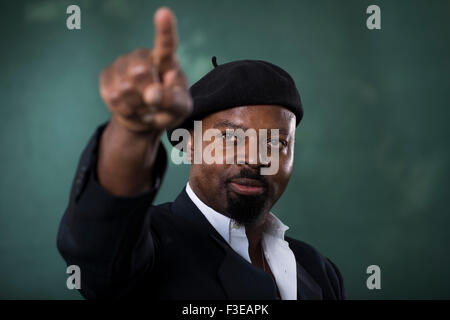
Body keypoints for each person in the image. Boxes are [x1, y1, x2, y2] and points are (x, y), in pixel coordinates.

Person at [57, 7, 345, 300]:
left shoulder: (319, 271)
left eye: (276, 143)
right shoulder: (148, 245)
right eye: (231, 137)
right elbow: (100, 249)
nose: (256, 158)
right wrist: (133, 131)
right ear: (190, 142)